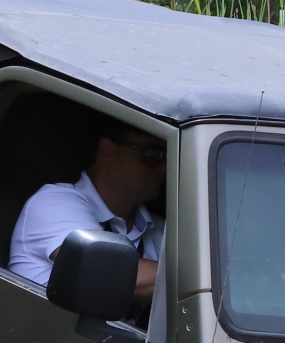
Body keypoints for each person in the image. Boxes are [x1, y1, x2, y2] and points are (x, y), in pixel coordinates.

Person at [8, 119, 167, 303]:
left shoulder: (161, 230)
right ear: (108, 152)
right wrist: (201, 277)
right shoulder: (54, 202)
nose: (164, 168)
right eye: (153, 153)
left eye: (167, 157)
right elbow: (104, 269)